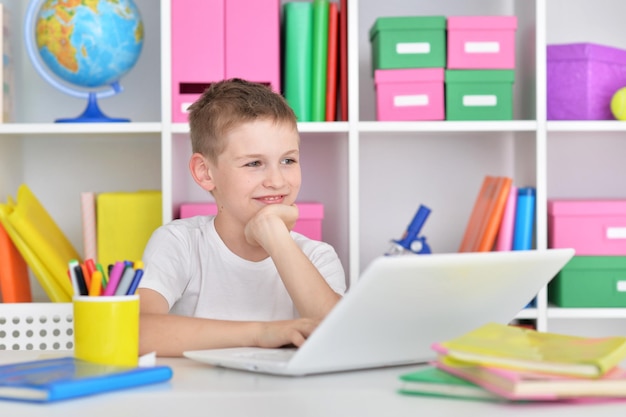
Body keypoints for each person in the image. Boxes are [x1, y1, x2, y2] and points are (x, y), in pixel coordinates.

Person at [137, 78, 346, 357]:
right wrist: (261, 334)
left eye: (288, 160)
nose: (276, 180)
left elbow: (339, 337)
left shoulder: (318, 256)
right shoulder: (180, 243)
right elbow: (137, 332)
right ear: (205, 172)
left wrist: (276, 238)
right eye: (254, 163)